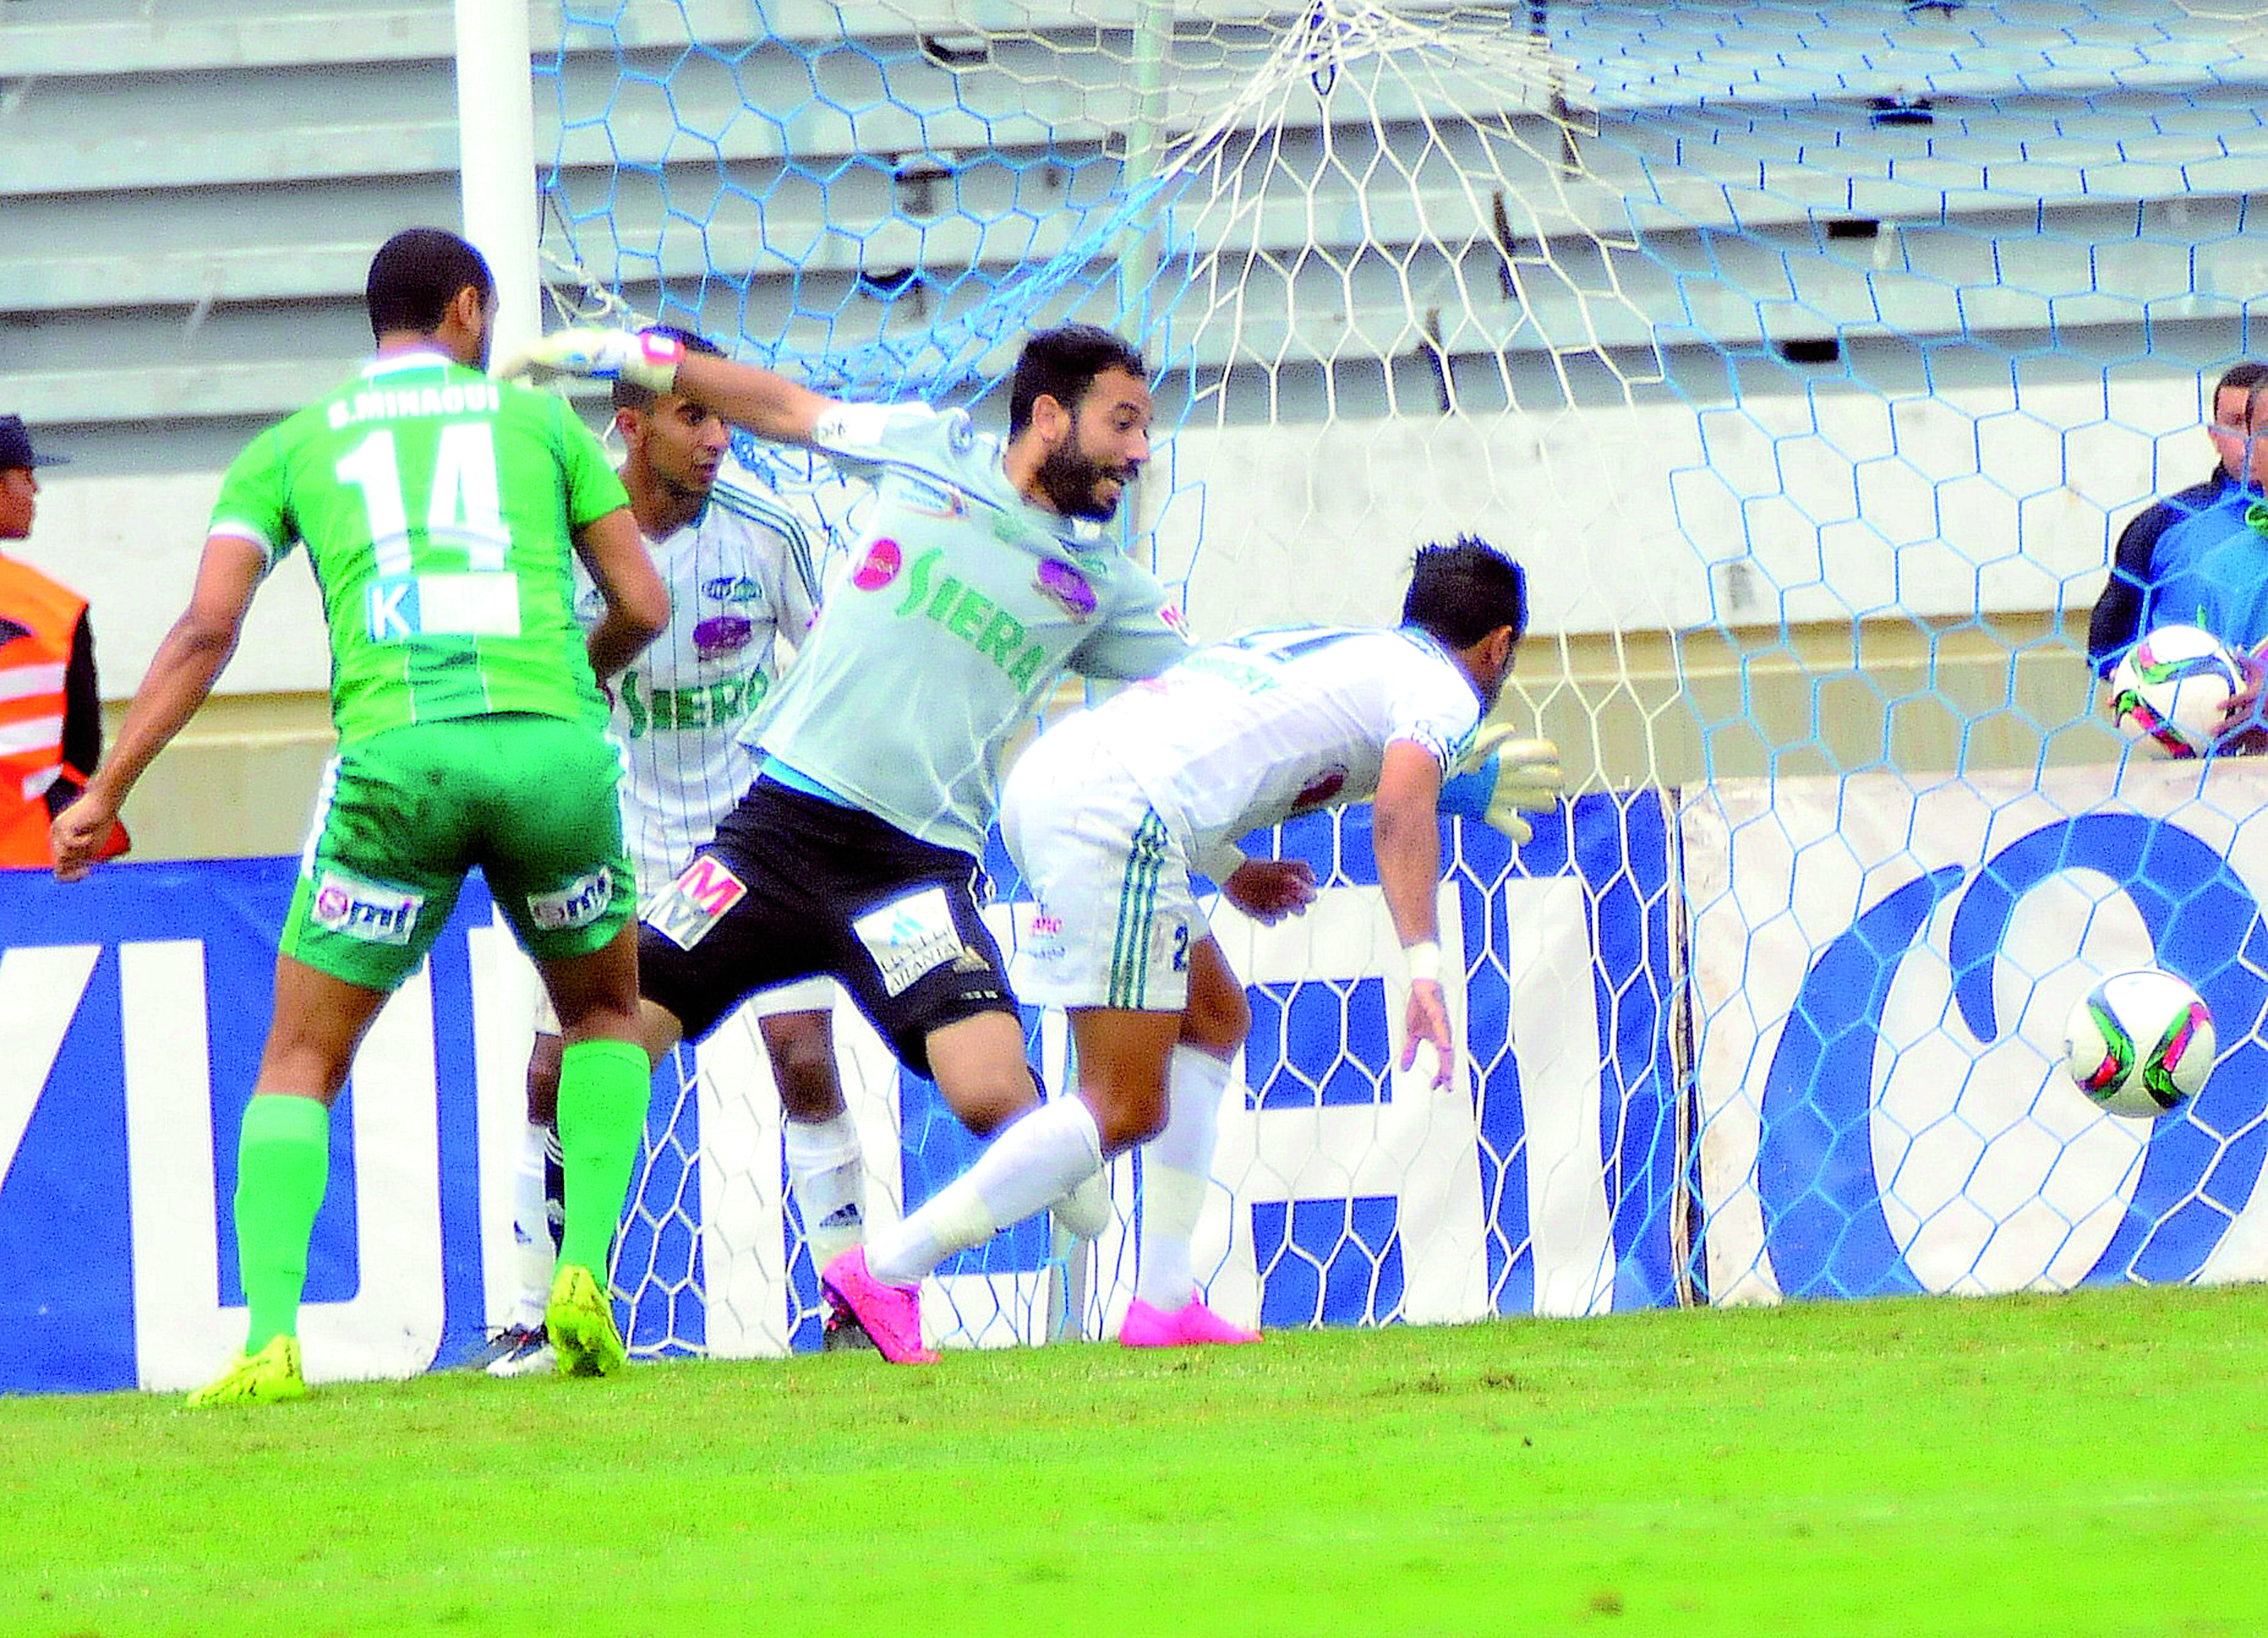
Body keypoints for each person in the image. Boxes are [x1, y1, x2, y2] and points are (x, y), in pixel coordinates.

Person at [50, 228, 671, 1405]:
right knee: (602, 1012)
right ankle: (583, 1275)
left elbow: (204, 633)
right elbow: (644, 601)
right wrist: (580, 675)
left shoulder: (288, 448)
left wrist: (106, 790)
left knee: (300, 1054)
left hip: (400, 759)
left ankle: (272, 1340)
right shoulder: (543, 428)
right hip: (553, 755)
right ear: (471, 310)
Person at [501, 321, 1194, 1360]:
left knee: (990, 1095)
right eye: (1123, 422)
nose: (1141, 452)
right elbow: (775, 403)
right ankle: (569, 1304)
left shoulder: (1106, 591)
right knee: (608, 1029)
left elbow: (1205, 699)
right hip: (769, 839)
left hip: (909, 875)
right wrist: (621, 352)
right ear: (1050, 415)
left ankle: (993, 1210)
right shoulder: (926, 448)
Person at [829, 535, 1557, 1359]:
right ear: (1498, 646)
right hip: (1117, 815)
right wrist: (1424, 968)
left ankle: (1165, 1299)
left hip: (1061, 776)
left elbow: (1211, 743)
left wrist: (1235, 870)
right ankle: (888, 1270)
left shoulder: (1336, 650)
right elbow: (1399, 811)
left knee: (1214, 1019)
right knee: (1126, 1103)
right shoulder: (1445, 691)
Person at [478, 326, 850, 1377]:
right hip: (618, 832)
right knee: (560, 1074)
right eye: (695, 415)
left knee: (805, 1060)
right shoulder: (556, 533)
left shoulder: (767, 533)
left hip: (752, 836)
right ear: (630, 425)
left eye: (725, 415)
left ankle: (854, 1308)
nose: (720, 439)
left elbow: (830, 673)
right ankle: (530, 1314)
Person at [2087, 359, 2268, 676]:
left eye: (2263, 427)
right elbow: (2108, 650)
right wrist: (2141, 690)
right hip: (2194, 721)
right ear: (2214, 435)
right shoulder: (2161, 527)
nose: (2250, 441)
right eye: (2237, 423)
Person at [0, 414, 125, 868]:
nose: (35, 491)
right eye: (26, 475)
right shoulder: (55, 608)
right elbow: (82, 750)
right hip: (30, 859)